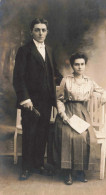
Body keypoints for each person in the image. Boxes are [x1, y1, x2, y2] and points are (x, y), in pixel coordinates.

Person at [13, 18, 62, 180]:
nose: (41, 33)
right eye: (37, 30)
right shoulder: (24, 50)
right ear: (31, 32)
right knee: (29, 133)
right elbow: (18, 78)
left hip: (46, 101)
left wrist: (70, 82)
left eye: (43, 30)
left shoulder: (49, 50)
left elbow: (55, 73)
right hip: (30, 102)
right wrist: (25, 99)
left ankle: (39, 164)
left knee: (42, 133)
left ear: (47, 32)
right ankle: (26, 167)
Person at [53, 52, 106, 185]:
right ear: (72, 66)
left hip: (82, 114)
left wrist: (104, 96)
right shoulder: (66, 80)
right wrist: (63, 115)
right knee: (67, 135)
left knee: (83, 136)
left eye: (82, 64)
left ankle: (80, 171)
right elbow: (59, 100)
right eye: (76, 64)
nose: (79, 67)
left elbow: (102, 91)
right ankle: (67, 172)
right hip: (67, 112)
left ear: (85, 65)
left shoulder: (89, 81)